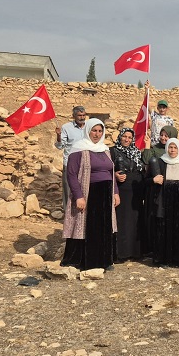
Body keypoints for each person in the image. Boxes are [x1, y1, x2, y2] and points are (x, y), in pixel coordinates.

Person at [61, 118, 120, 271]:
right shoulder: (78, 149)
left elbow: (111, 173)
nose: (97, 134)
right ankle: (87, 261)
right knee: (88, 227)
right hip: (89, 193)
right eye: (94, 130)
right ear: (87, 130)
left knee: (104, 227)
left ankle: (104, 260)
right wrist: (79, 196)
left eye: (100, 131)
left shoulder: (105, 150)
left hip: (105, 193)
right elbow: (71, 174)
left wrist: (115, 192)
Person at [151, 138, 179, 267]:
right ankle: (162, 259)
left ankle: (177, 258)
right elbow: (152, 181)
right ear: (167, 148)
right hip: (165, 199)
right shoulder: (161, 162)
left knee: (178, 229)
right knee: (164, 228)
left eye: (175, 148)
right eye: (170, 147)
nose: (172, 150)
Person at [109, 128, 146, 262]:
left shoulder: (136, 152)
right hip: (121, 190)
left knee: (135, 220)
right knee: (122, 220)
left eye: (130, 137)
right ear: (120, 137)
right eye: (124, 136)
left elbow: (142, 168)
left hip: (135, 191)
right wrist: (115, 176)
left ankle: (135, 252)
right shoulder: (112, 151)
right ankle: (121, 253)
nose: (127, 139)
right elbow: (107, 169)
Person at [141, 125, 178, 256]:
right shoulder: (154, 149)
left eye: (166, 135)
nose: (163, 138)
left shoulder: (175, 150)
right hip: (155, 188)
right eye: (162, 135)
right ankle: (152, 247)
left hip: (170, 189)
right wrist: (147, 146)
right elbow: (145, 160)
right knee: (154, 217)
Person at [55, 106, 86, 207]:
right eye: (79, 115)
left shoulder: (89, 127)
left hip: (85, 162)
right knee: (69, 189)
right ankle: (67, 214)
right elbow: (60, 146)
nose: (82, 117)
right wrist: (59, 136)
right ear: (73, 116)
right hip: (70, 163)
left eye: (83, 115)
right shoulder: (66, 127)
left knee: (84, 189)